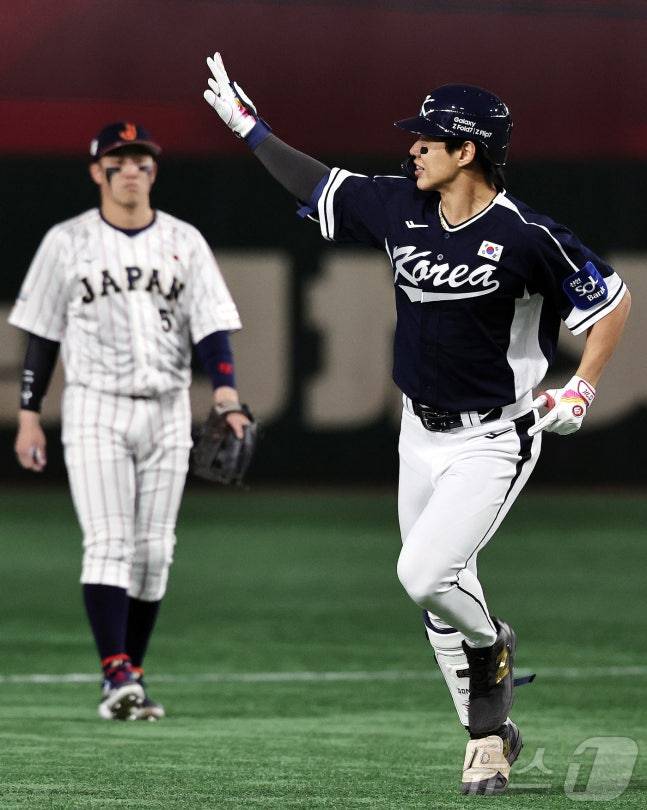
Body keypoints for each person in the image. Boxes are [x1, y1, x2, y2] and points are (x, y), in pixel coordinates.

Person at [202, 54, 631, 793]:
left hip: (495, 436)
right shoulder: (398, 203)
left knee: (423, 574)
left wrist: (582, 387)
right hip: (419, 433)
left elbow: (612, 301)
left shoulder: (525, 233)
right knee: (437, 591)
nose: (411, 149)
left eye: (428, 140)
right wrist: (250, 128)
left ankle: (490, 644)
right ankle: (487, 741)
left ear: (466, 151)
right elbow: (317, 183)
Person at [10, 121, 251, 721]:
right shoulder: (66, 243)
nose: (132, 172)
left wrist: (226, 392)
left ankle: (130, 675)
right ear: (97, 172)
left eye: (142, 161)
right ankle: (114, 671)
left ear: (153, 171)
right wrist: (28, 415)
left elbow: (211, 325)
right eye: (119, 163)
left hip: (168, 406)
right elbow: (41, 336)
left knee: (155, 552)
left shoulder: (183, 240)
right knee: (110, 542)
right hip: (95, 405)